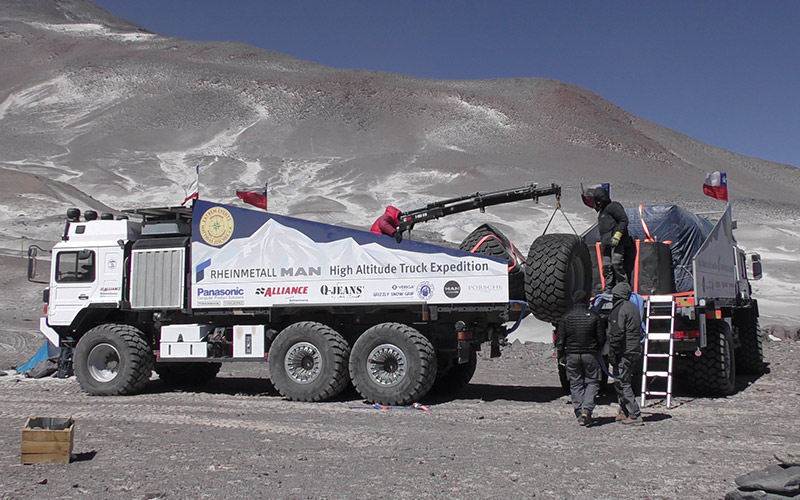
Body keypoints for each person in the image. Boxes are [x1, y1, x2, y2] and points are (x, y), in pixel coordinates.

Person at [556, 289, 606, 426]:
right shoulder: (594, 316)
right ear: (586, 301)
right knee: (593, 381)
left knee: (575, 382)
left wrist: (561, 355)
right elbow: (601, 338)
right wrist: (598, 350)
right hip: (590, 354)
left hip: (571, 354)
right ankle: (587, 409)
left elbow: (560, 340)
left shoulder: (566, 317)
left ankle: (579, 411)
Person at [608, 282, 644, 426]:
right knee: (620, 380)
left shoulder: (620, 309)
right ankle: (624, 410)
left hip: (625, 350)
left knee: (623, 381)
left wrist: (613, 350)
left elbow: (618, 332)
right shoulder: (633, 307)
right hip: (634, 348)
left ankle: (634, 414)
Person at [593, 186, 635, 294]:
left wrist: (618, 234)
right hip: (606, 244)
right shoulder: (602, 212)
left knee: (616, 264)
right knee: (606, 267)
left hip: (617, 242)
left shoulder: (613, 207)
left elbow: (623, 219)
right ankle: (608, 289)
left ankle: (624, 288)